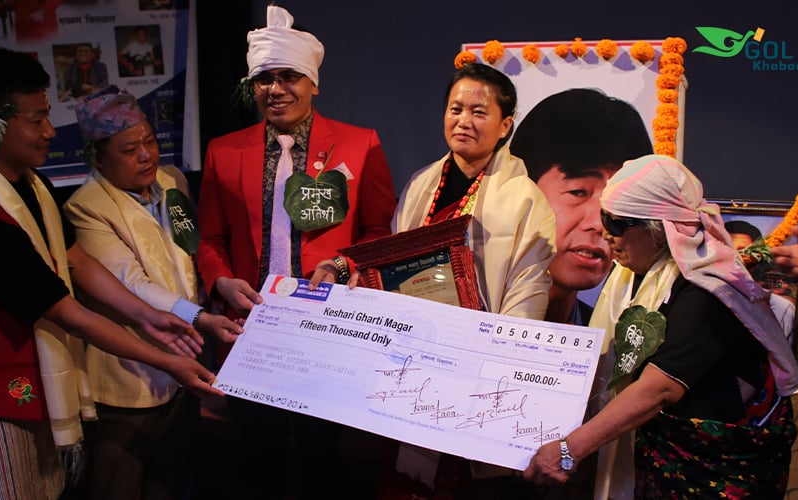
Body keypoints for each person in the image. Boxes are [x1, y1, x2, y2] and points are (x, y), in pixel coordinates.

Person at [0, 47, 222, 499]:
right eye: (37, 120)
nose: (50, 131)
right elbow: (71, 313)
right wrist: (167, 359)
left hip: (37, 390)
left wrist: (147, 317)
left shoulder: (34, 185)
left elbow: (77, 261)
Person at [196, 5, 396, 497]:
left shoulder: (359, 144)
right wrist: (221, 281)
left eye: (289, 77)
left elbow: (379, 230)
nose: (276, 89)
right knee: (258, 457)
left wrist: (342, 263)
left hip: (327, 325)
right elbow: (210, 239)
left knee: (321, 456)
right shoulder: (224, 151)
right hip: (251, 324)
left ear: (313, 83)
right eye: (265, 78)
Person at [523, 154, 798, 499]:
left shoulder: (711, 290)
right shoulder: (632, 279)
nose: (606, 234)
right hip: (655, 463)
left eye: (617, 224)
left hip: (701, 475)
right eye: (605, 219)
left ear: (660, 228)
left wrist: (570, 450)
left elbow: (660, 389)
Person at [62, 85, 243, 500]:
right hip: (129, 381)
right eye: (130, 150)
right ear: (98, 157)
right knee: (120, 485)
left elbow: (192, 252)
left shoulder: (171, 181)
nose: (146, 155)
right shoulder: (86, 206)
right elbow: (131, 285)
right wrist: (200, 318)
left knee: (175, 482)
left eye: (150, 141)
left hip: (184, 369)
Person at [388, 62, 555, 497]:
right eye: (455, 109)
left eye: (479, 112)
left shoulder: (525, 199)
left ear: (505, 126)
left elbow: (528, 291)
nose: (463, 121)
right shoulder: (421, 185)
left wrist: (494, 361)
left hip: (481, 363)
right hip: (418, 354)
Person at [510, 88, 653, 325]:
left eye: (616, 203)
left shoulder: (610, 341)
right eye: (578, 192)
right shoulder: (468, 316)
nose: (600, 225)